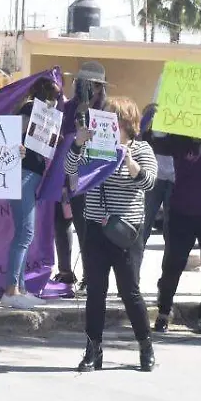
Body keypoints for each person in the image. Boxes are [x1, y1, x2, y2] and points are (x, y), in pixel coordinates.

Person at [66, 96, 158, 372]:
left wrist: (129, 163)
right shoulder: (93, 149)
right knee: (96, 291)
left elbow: (149, 182)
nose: (108, 125)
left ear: (127, 124)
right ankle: (93, 348)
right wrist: (79, 143)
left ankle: (145, 345)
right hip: (95, 227)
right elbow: (70, 172)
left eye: (113, 120)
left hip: (125, 231)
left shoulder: (141, 149)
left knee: (129, 292)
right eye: (103, 119)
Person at [147, 129, 201, 335]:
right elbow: (153, 142)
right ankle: (164, 312)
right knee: (172, 264)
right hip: (181, 212)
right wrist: (157, 122)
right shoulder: (178, 139)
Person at [52, 62, 108, 294]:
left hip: (91, 180)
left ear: (100, 87)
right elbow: (58, 139)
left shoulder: (106, 112)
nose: (88, 89)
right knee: (61, 224)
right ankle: (65, 272)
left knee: (86, 230)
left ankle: (90, 276)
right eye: (83, 84)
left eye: (93, 85)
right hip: (65, 174)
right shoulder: (67, 108)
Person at [3, 77, 58, 309]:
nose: (55, 102)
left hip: (28, 174)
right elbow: (18, 130)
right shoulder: (29, 109)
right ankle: (11, 290)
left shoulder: (35, 110)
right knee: (25, 233)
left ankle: (21, 289)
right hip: (23, 174)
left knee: (25, 233)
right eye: (53, 97)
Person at [139, 104, 174, 246]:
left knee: (170, 223)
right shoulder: (148, 134)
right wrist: (148, 118)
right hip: (155, 178)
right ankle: (137, 253)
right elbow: (138, 135)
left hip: (174, 179)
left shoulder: (177, 130)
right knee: (146, 218)